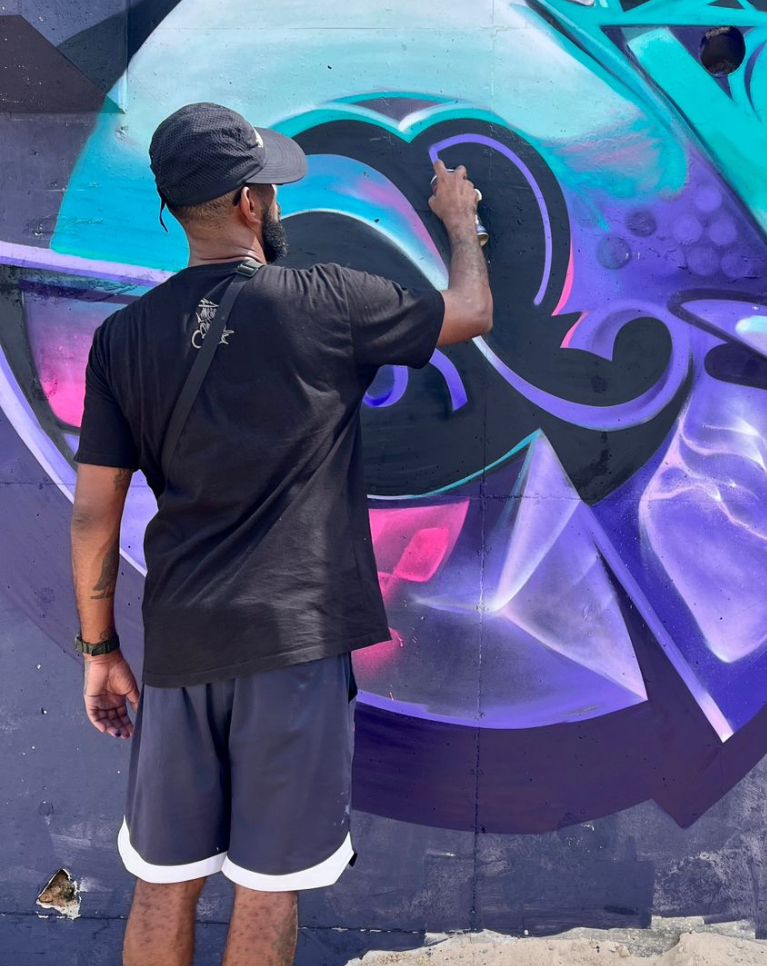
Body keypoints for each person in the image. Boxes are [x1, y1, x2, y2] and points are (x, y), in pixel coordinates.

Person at [69, 102, 492, 966]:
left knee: (163, 879)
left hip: (182, 645)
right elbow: (469, 312)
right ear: (248, 201)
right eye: (269, 187)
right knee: (268, 888)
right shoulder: (326, 300)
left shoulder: (120, 340)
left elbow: (93, 514)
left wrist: (99, 650)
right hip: (293, 645)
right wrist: (461, 222)